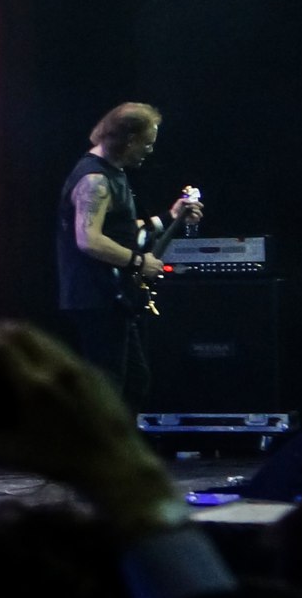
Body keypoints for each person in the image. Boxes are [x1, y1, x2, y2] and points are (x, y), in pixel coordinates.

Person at [55, 101, 201, 408]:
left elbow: (119, 231)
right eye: (147, 143)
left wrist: (169, 217)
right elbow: (89, 239)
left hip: (113, 298)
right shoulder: (94, 180)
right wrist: (139, 261)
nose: (150, 150)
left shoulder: (113, 173)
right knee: (109, 387)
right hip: (96, 297)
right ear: (130, 140)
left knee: (133, 382)